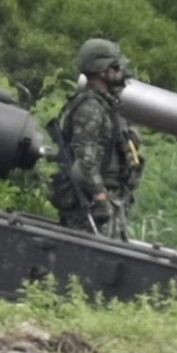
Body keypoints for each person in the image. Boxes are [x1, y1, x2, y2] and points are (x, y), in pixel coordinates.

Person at [51, 39, 143, 239]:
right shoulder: (90, 108)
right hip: (93, 207)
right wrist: (100, 196)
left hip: (109, 201)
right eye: (114, 67)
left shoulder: (107, 105)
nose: (119, 72)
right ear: (102, 71)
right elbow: (85, 160)